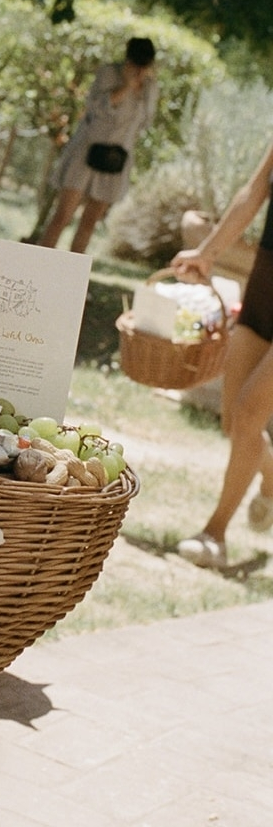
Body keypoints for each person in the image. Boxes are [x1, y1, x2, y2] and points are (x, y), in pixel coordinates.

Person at [172, 137, 273, 571]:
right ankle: (271, 474)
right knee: (235, 421)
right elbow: (254, 190)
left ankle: (215, 535)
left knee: (250, 413)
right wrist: (206, 252)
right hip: (266, 281)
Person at [37, 36, 158, 254]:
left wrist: (142, 89)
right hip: (86, 151)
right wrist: (127, 86)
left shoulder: (150, 86)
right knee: (63, 216)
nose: (140, 69)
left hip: (115, 158)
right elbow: (95, 108)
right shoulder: (109, 73)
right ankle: (39, 264)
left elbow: (145, 122)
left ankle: (74, 271)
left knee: (90, 221)